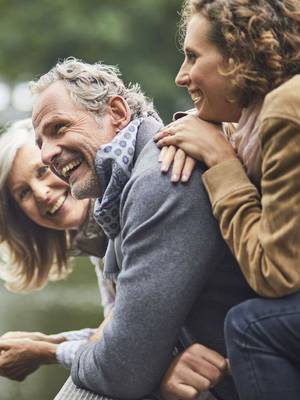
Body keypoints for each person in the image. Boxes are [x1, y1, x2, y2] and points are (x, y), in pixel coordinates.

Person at [30, 57, 256, 400]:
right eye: (39, 144)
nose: (46, 155)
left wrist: (80, 355)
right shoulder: (124, 187)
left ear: (118, 113)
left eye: (58, 128)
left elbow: (121, 368)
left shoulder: (160, 178)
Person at [154, 0, 300, 399]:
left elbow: (276, 273)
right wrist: (205, 129)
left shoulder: (286, 110)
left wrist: (219, 159)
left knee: (250, 326)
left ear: (238, 56)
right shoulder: (267, 110)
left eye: (192, 56)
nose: (181, 76)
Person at [0, 119, 114, 381]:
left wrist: (43, 351)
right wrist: (50, 340)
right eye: (24, 193)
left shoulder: (122, 218)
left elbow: (120, 351)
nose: (41, 194)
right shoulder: (96, 244)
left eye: (42, 171)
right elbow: (113, 329)